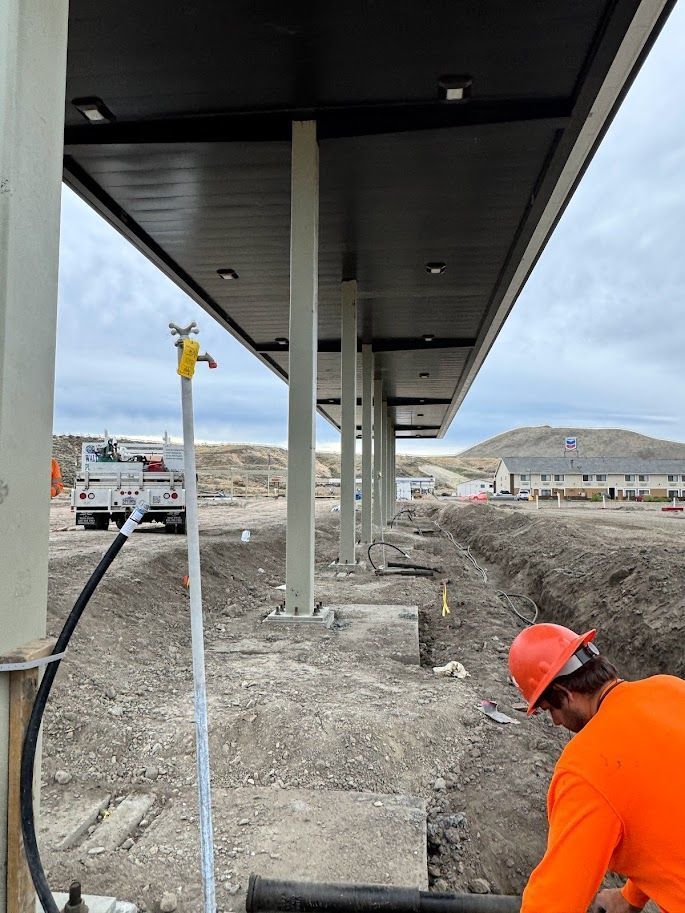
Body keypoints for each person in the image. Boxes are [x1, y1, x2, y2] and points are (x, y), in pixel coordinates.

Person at [508, 622, 685, 913]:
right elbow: (666, 816)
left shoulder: (586, 768)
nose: (555, 721)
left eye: (550, 709)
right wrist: (631, 897)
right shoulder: (671, 689)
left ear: (565, 692)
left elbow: (554, 904)